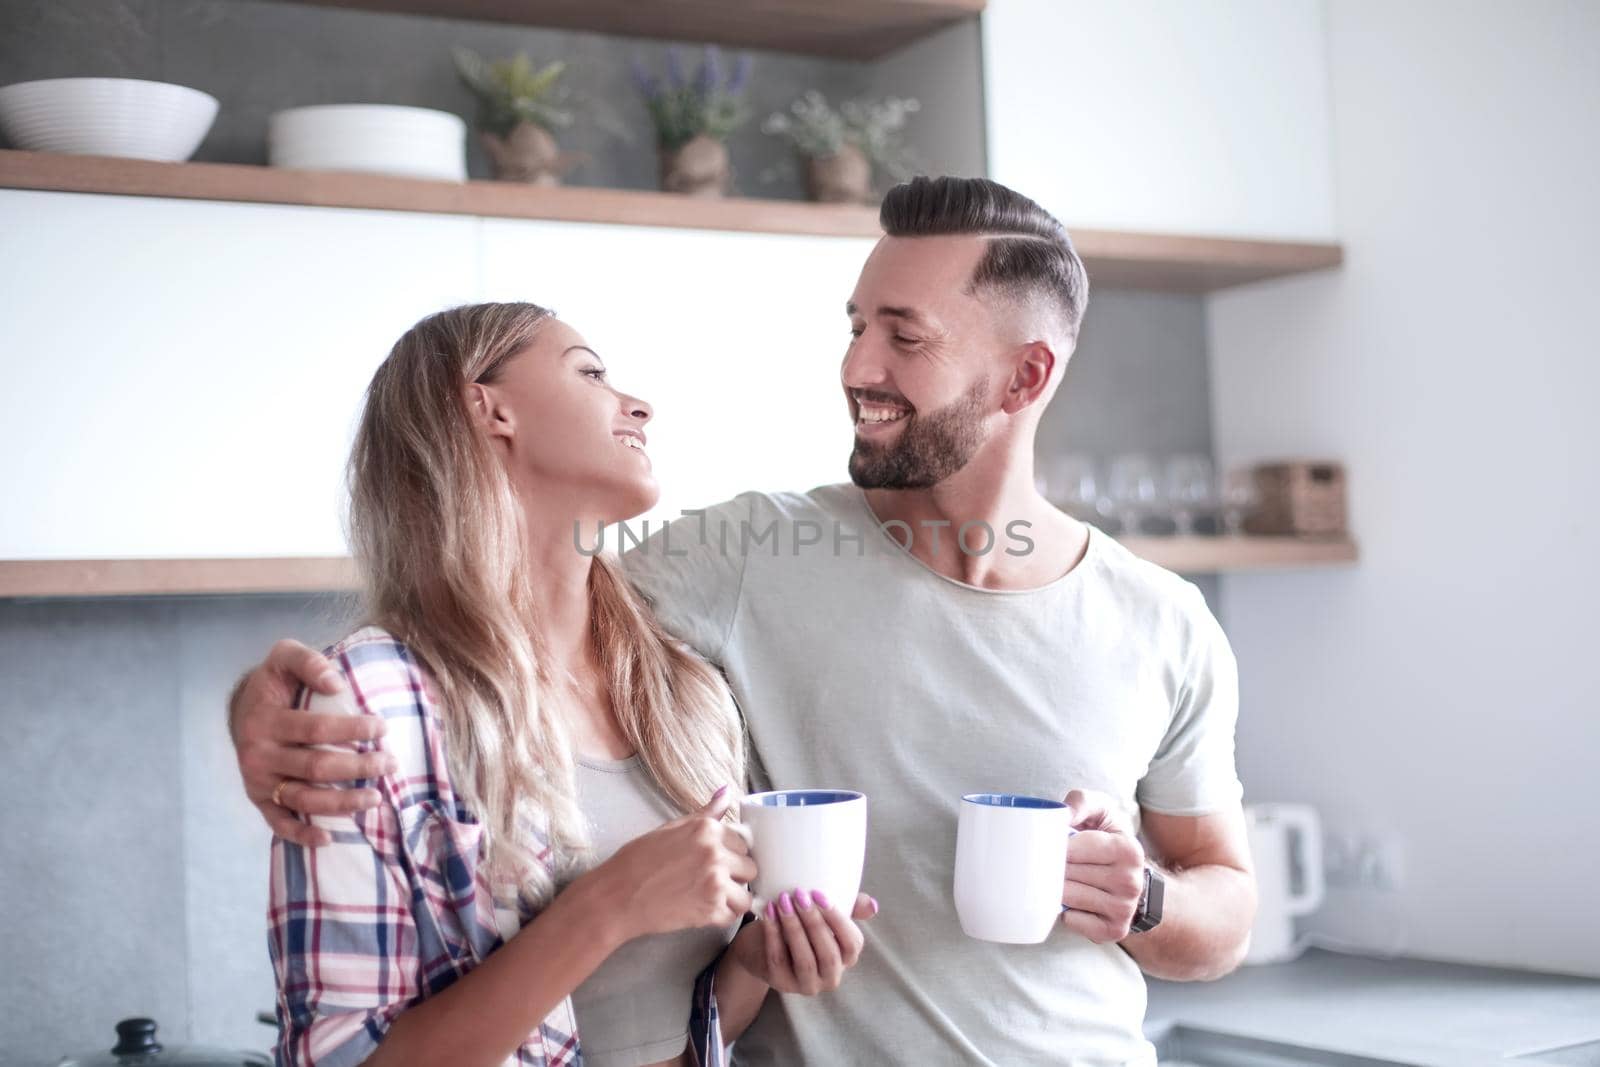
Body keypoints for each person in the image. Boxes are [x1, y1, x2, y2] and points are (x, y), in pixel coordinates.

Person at [234, 177, 1256, 1067]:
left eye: (903, 335)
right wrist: (264, 706)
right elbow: (494, 611)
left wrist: (1147, 899)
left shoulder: (1162, 622)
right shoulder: (745, 554)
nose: (857, 366)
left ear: (1026, 375)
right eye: (854, 325)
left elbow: (1226, 908)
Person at [258, 302, 873, 1067]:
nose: (639, 404)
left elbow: (668, 1028)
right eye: (589, 372)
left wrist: (754, 964)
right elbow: (342, 1057)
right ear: (486, 407)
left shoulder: (683, 693)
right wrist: (607, 906)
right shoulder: (375, 700)